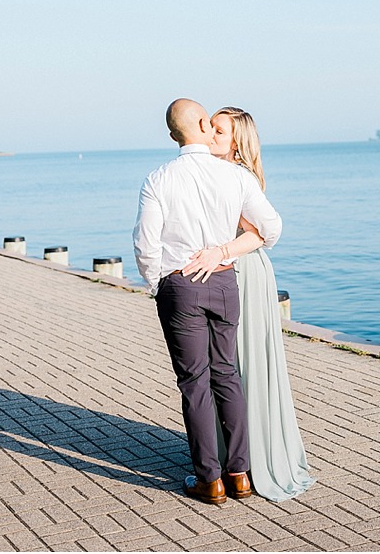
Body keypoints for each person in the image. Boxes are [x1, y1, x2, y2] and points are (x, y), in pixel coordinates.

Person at [133, 98, 282, 506]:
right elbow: (271, 227)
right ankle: (240, 475)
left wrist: (156, 284)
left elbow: (145, 244)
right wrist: (223, 253)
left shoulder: (158, 178)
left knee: (194, 385)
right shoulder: (234, 176)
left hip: (181, 286)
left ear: (171, 134)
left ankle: (209, 480)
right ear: (202, 124)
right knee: (227, 376)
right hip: (224, 284)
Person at [198, 106, 315, 501]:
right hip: (230, 272)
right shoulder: (211, 173)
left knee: (240, 364)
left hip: (243, 273)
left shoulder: (238, 176)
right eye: (209, 127)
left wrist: (221, 251)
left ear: (236, 142)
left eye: (219, 130)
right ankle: (233, 461)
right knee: (227, 366)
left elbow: (266, 232)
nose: (210, 134)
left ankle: (248, 462)